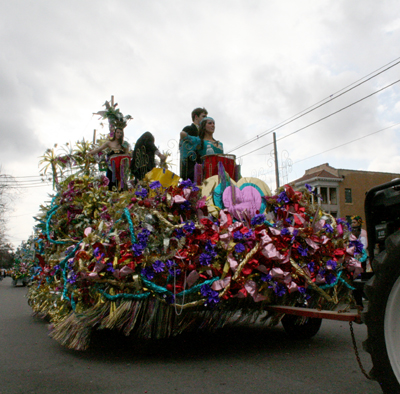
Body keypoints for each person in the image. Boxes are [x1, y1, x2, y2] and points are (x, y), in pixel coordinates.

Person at [179, 107, 208, 181]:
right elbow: (184, 149)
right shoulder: (189, 129)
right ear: (196, 117)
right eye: (203, 116)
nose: (205, 119)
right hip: (190, 170)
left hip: (202, 170)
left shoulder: (204, 133)